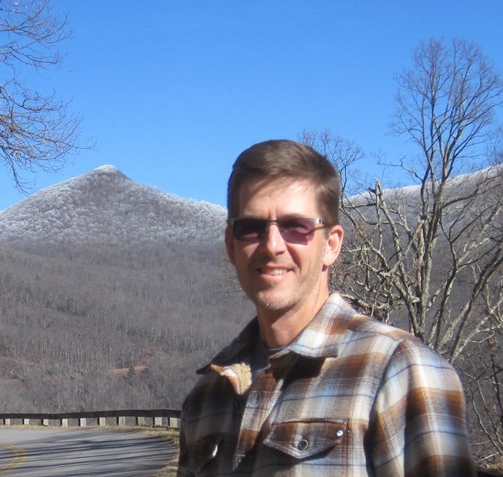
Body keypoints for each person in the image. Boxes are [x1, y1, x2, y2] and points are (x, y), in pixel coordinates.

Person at [178, 140, 475, 476]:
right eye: (252, 228)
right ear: (232, 247)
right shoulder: (207, 396)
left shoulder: (398, 371)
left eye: (296, 226)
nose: (273, 245)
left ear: (331, 245)